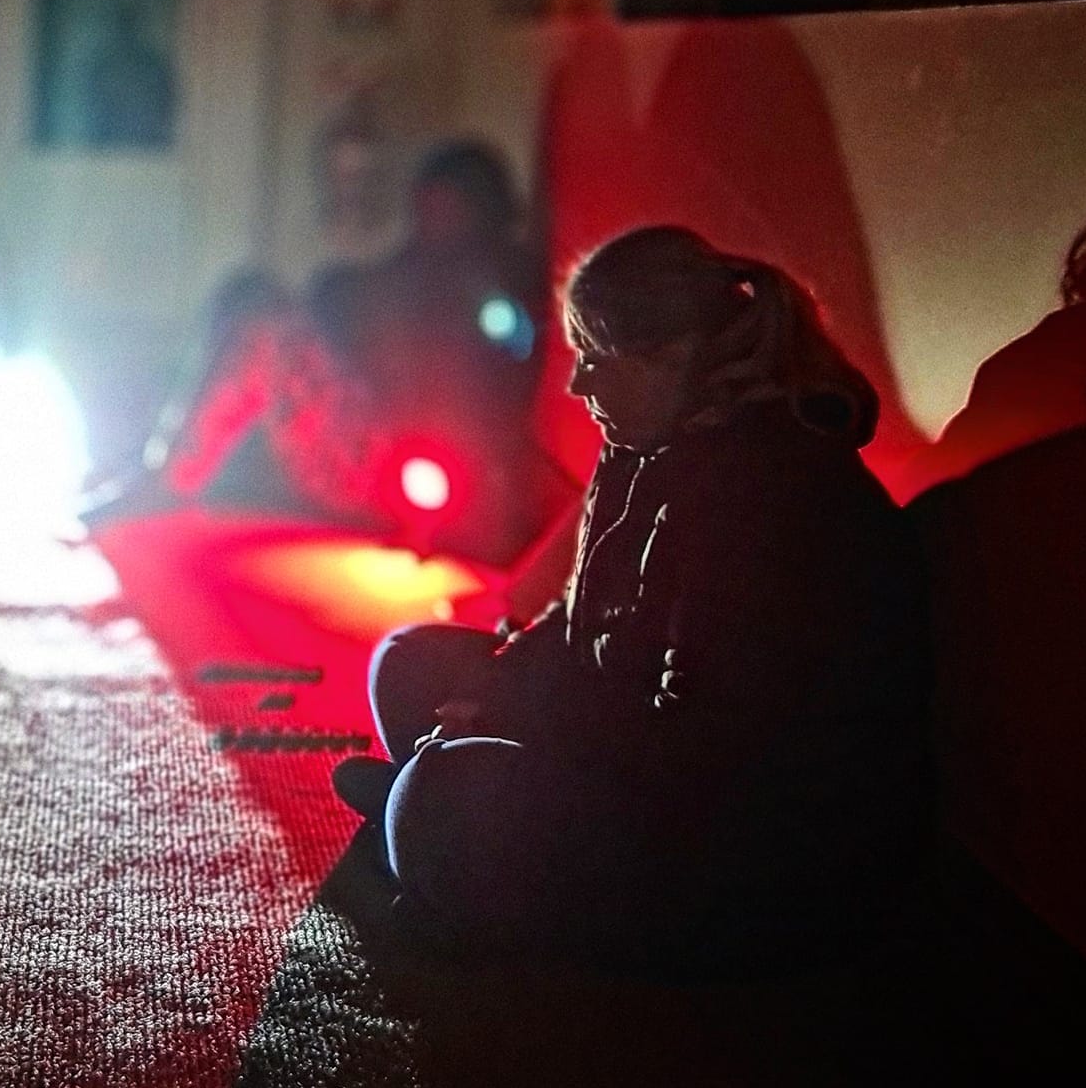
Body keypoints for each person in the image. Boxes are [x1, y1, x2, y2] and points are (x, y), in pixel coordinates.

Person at [332, 225, 932, 975]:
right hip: (636, 747)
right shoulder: (647, 447)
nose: (578, 385)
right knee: (408, 661)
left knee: (441, 795)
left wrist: (518, 736)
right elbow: (581, 621)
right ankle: (428, 842)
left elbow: (700, 750)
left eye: (597, 357)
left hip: (745, 850)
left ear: (673, 358)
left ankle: (433, 842)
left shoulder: (767, 497)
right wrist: (496, 690)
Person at [84, 139, 552, 563]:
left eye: (451, 209)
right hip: (373, 452)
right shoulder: (406, 268)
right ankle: (160, 468)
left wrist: (480, 302)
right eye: (428, 208)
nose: (435, 222)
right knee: (247, 296)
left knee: (262, 329)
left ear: (484, 212)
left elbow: (515, 355)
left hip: (423, 484)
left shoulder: (509, 284)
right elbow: (350, 301)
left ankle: (165, 485)